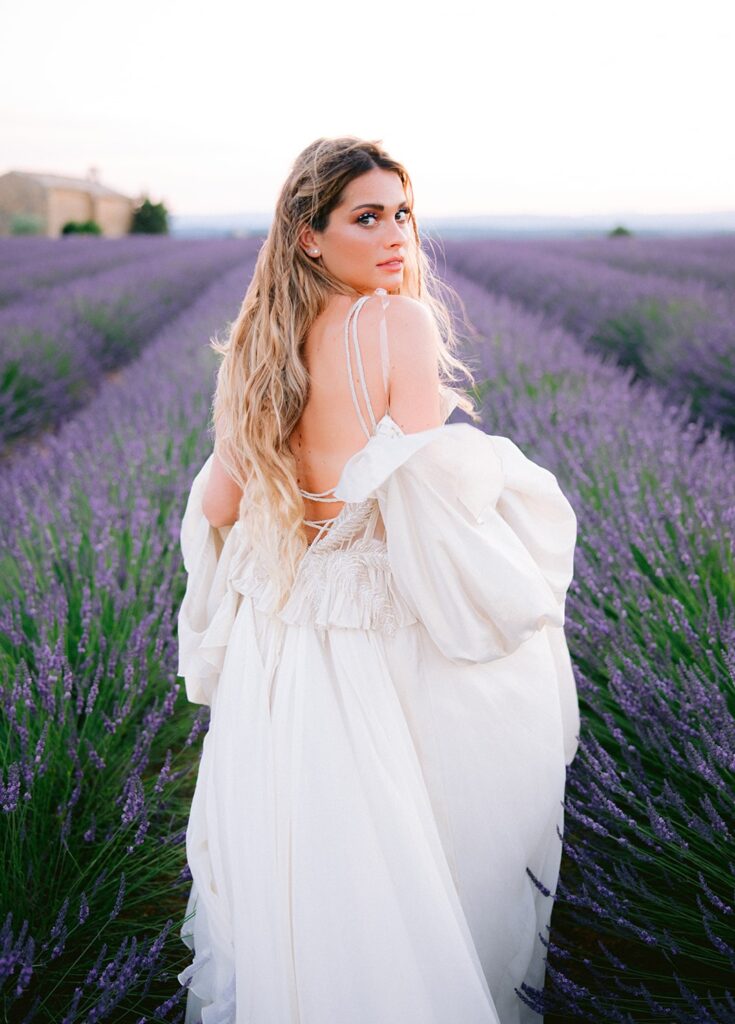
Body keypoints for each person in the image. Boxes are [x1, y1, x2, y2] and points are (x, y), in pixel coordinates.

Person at [175, 136, 580, 1024]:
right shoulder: (398, 323)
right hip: (384, 632)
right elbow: (432, 498)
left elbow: (215, 504)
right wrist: (503, 480)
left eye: (402, 212)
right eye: (367, 216)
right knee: (426, 854)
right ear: (310, 234)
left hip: (282, 640)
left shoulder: (256, 347)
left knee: (310, 864)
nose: (396, 235)